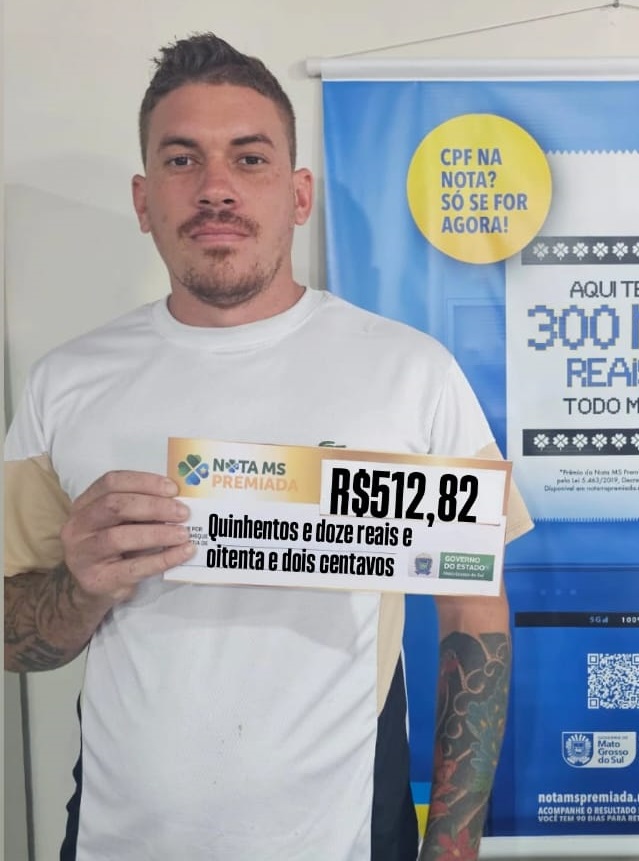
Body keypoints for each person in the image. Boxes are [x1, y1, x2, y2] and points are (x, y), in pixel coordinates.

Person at [4, 33, 531, 861]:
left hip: (346, 837)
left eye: (249, 159)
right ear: (143, 199)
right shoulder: (63, 383)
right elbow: (12, 633)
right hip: (116, 837)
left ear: (299, 193)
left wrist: (455, 846)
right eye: (182, 160)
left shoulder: (411, 371)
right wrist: (80, 584)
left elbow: (473, 607)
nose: (215, 187)